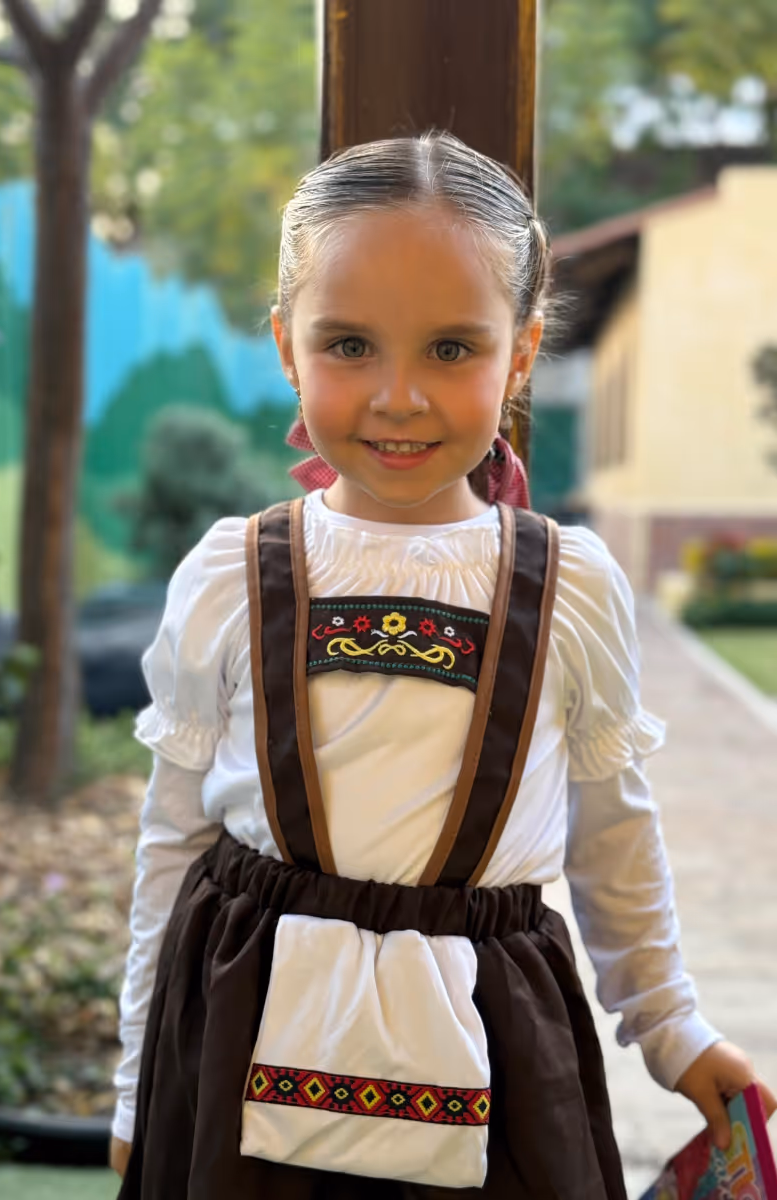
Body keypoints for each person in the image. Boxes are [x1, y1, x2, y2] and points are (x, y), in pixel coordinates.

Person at [111, 132, 775, 1198]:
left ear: (520, 352)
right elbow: (171, 843)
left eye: (452, 350)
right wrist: (134, 1080)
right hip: (237, 1037)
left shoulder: (573, 587)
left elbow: (610, 832)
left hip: (498, 1044)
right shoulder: (229, 574)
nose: (399, 396)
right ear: (288, 347)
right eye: (350, 346)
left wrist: (669, 1024)